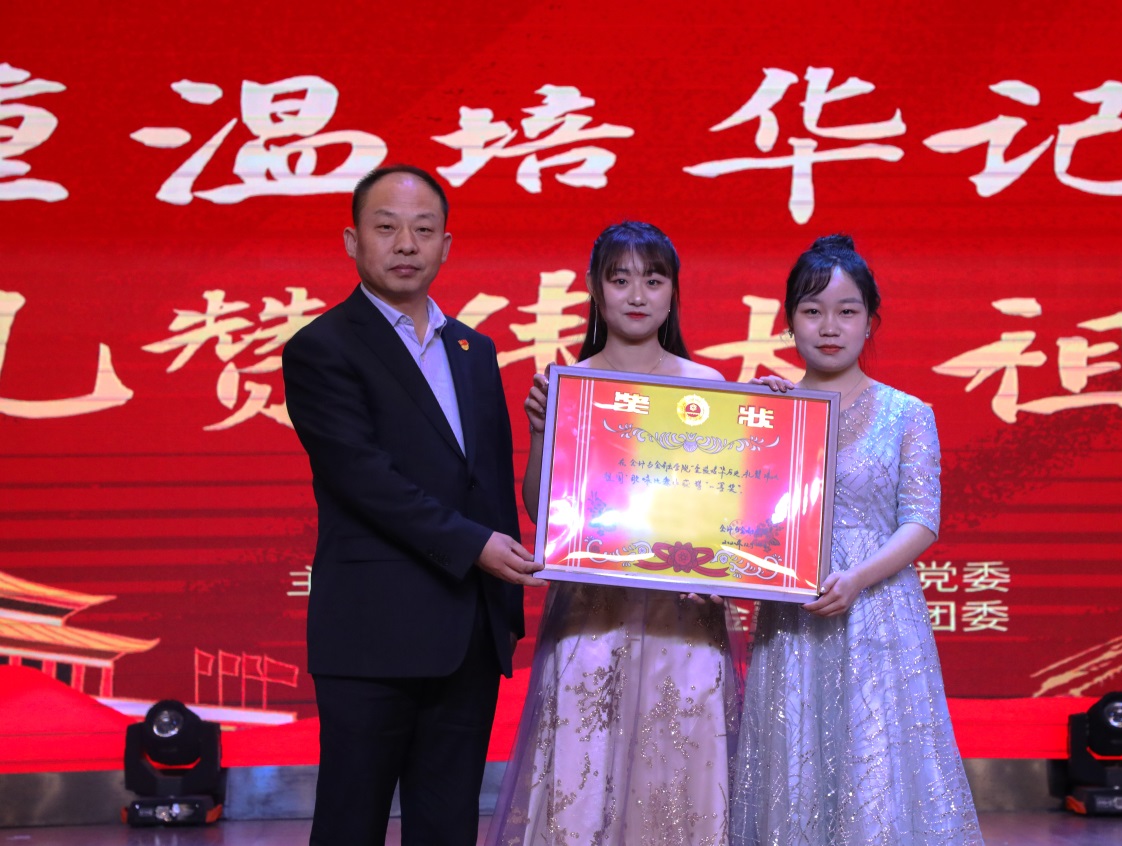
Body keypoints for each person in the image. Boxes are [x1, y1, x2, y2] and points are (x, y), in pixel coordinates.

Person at [281, 164, 546, 846]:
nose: (406, 244)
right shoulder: (321, 348)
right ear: (353, 240)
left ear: (445, 246)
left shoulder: (473, 349)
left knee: (448, 826)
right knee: (351, 823)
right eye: (386, 227)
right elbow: (364, 479)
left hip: (468, 635)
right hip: (372, 634)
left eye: (423, 230)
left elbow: (487, 484)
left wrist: (504, 607)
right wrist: (476, 548)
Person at [487, 221, 737, 845]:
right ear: (596, 291)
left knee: (679, 772)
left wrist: (775, 420)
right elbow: (542, 511)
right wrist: (542, 432)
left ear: (673, 291)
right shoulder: (571, 385)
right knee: (582, 769)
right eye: (620, 279)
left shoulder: (709, 388)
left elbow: (730, 511)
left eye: (653, 280)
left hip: (684, 616)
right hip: (592, 617)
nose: (637, 294)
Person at [731, 235, 983, 845]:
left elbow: (921, 520)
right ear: (789, 321)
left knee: (875, 760)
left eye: (847, 311)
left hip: (877, 611)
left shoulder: (907, 413)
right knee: (794, 755)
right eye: (812, 310)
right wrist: (755, 423)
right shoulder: (770, 411)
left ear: (871, 321)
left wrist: (857, 579)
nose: (829, 327)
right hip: (793, 614)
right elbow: (739, 518)